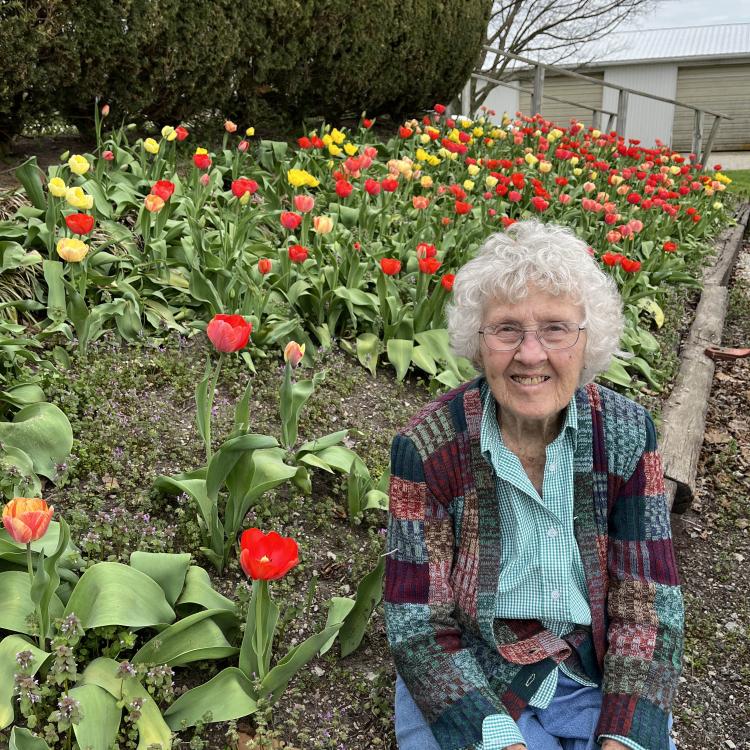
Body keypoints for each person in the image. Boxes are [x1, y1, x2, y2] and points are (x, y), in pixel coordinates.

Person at [384, 220, 683, 750]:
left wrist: (623, 734)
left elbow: (648, 603)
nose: (529, 353)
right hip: (469, 669)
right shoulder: (428, 449)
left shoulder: (628, 435)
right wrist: (499, 739)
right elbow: (419, 624)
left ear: (588, 340)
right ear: (477, 342)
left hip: (591, 671)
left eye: (555, 328)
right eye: (506, 329)